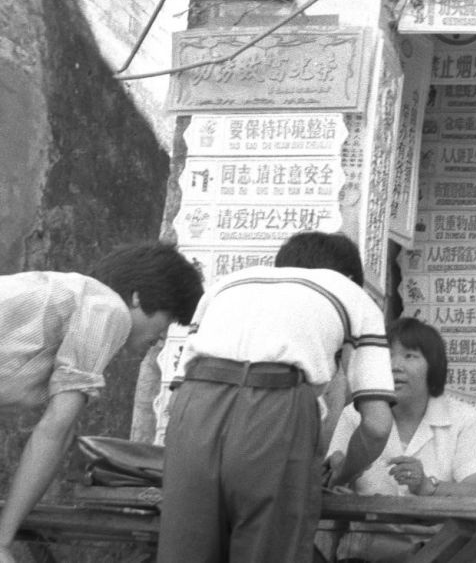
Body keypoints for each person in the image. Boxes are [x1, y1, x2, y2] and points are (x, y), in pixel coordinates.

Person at [157, 231, 395, 563]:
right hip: (276, 407)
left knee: (186, 551)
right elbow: (377, 426)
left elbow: (175, 396)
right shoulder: (352, 295)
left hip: (193, 407)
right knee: (268, 550)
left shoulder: (226, 286)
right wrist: (340, 474)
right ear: (351, 278)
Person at [0, 242, 203, 563]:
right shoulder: (106, 309)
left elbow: (62, 433)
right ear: (137, 297)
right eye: (168, 319)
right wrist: (3, 538)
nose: (163, 337)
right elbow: (54, 428)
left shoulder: (69, 296)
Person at [327, 317, 476, 563]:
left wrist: (427, 487)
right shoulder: (355, 415)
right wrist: (345, 474)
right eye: (387, 356)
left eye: (410, 356)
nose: (395, 366)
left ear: (433, 367)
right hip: (373, 547)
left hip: (445, 544)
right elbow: (330, 481)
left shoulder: (463, 417)